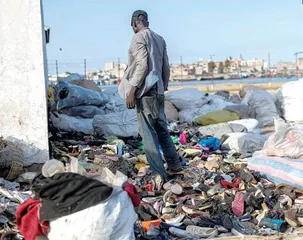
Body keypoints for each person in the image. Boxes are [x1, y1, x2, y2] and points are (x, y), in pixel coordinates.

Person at [118, 10, 182, 181]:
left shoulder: (138, 38)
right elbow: (165, 67)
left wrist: (132, 91)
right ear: (147, 21)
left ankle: (158, 175)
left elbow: (142, 65)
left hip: (145, 92)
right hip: (159, 90)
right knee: (162, 130)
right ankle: (175, 166)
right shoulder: (159, 39)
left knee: (148, 134)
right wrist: (163, 86)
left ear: (134, 23)